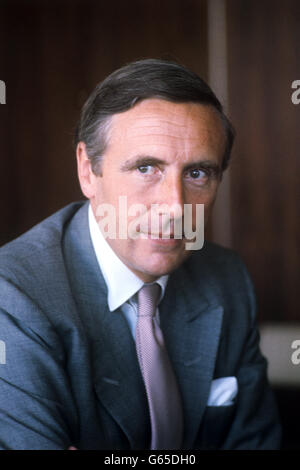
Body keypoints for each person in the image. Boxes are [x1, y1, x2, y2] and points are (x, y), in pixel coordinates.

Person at [0, 59, 281, 450]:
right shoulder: (14, 297)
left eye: (198, 173)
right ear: (87, 171)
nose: (176, 207)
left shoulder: (225, 277)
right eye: (146, 167)